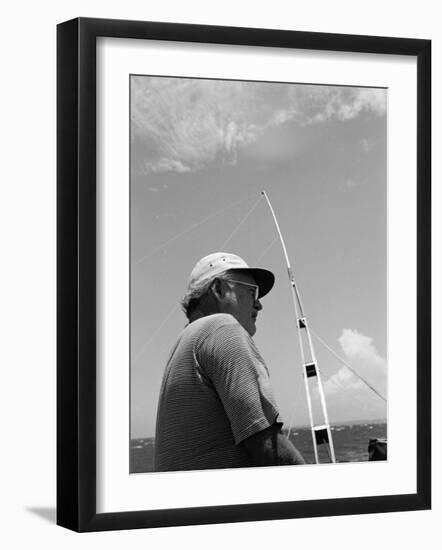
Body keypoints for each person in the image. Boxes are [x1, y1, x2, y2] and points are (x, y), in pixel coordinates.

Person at [154, 252, 305, 471]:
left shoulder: (185, 343)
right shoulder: (221, 328)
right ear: (218, 289)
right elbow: (267, 446)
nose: (259, 305)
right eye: (252, 292)